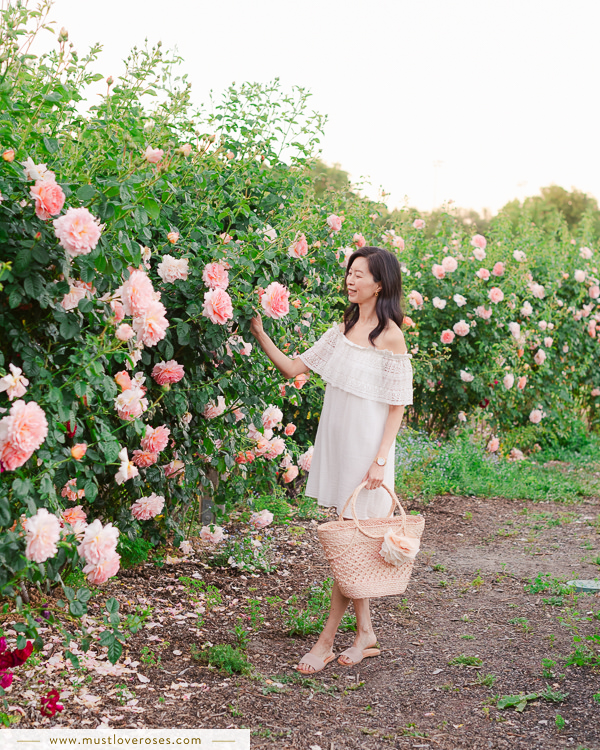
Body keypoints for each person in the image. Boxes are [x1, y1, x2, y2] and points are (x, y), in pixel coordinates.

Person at [250, 245, 413, 674]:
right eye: (350, 272)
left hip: (367, 451)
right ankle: (366, 634)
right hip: (339, 444)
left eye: (360, 274)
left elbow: (397, 405)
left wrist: (380, 459)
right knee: (350, 543)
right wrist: (260, 332)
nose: (351, 279)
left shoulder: (390, 335)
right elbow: (293, 367)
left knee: (348, 541)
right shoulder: (341, 329)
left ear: (380, 283)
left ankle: (325, 642)